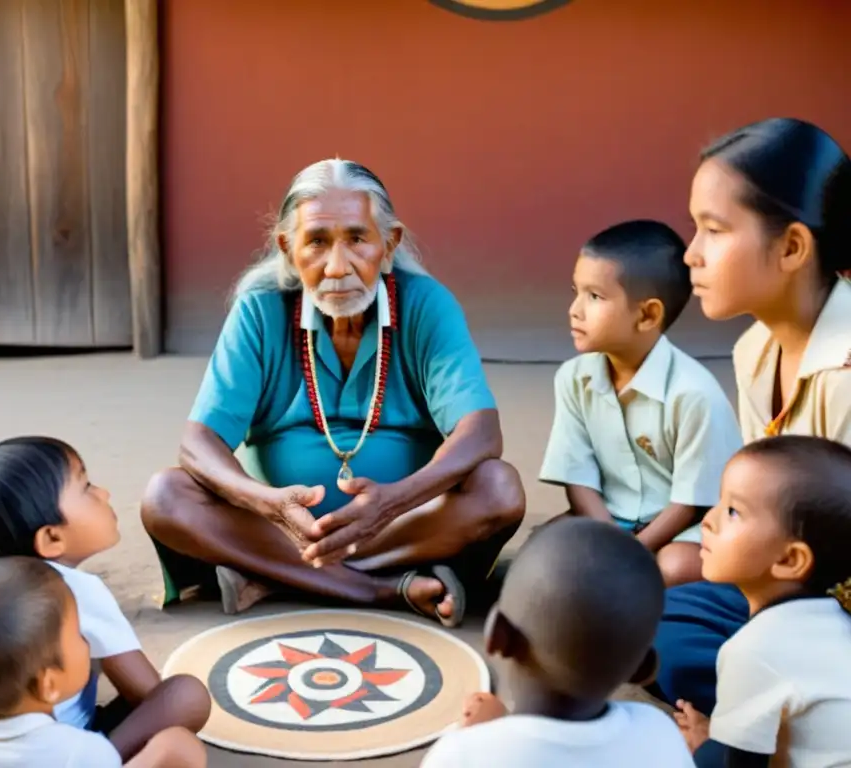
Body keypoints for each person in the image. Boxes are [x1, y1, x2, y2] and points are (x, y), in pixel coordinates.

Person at [141, 159, 526, 626]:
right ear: (287, 248)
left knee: (499, 489)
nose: (337, 267)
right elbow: (197, 443)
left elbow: (482, 434)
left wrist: (392, 502)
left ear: (389, 245)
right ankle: (378, 589)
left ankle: (278, 576)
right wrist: (269, 505)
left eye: (357, 239)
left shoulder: (427, 304)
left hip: (405, 525)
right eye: (317, 242)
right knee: (166, 496)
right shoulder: (260, 311)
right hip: (280, 530)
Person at [651, 118, 851, 715]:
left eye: (713, 230)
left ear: (791, 247)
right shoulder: (754, 353)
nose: (690, 254)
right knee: (666, 620)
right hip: (800, 591)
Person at [0, 437, 211, 762]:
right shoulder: (74, 590)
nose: (104, 494)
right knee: (184, 696)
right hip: (58, 753)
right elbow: (144, 692)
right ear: (52, 538)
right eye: (86, 487)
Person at [539, 220, 741, 587]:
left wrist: (634, 550)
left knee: (676, 568)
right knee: (544, 548)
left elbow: (691, 503)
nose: (574, 310)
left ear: (647, 314)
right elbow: (578, 477)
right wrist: (610, 542)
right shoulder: (573, 378)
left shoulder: (694, 394)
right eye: (576, 291)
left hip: (683, 528)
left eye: (595, 297)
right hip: (611, 519)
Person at [420, 517, 694, 767]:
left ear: (495, 635)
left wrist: (481, 736)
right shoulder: (661, 735)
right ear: (644, 669)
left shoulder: (462, 755)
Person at [0, 557, 207, 767]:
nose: (88, 645)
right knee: (179, 747)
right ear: (50, 685)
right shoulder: (85, 753)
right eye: (79, 636)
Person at [674, 437, 851, 767]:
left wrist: (705, 746)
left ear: (789, 560)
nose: (708, 520)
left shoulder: (752, 651)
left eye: (732, 512)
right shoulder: (837, 622)